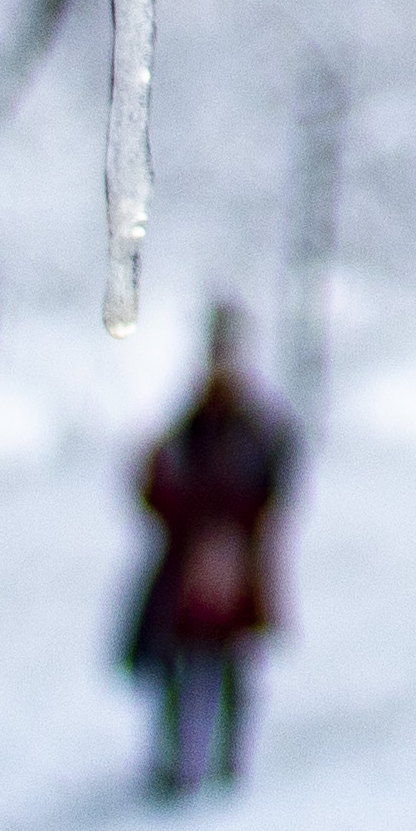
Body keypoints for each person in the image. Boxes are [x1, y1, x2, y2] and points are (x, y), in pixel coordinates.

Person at [126, 308, 296, 800]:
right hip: (190, 567)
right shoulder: (191, 424)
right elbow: (155, 487)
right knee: (180, 666)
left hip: (235, 565)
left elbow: (272, 491)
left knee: (231, 667)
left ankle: (226, 755)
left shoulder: (256, 428)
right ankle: (176, 757)